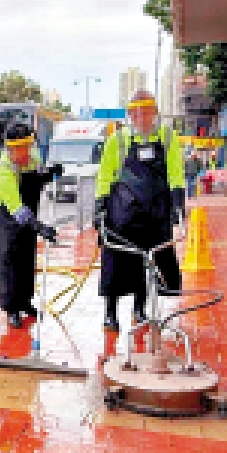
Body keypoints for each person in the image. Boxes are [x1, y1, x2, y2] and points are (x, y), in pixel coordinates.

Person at [93, 91, 186, 356]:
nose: (142, 117)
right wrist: (99, 207)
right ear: (130, 115)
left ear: (154, 113)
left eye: (147, 112)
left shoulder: (167, 138)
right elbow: (105, 176)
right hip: (121, 214)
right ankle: (110, 313)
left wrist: (179, 205)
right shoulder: (118, 140)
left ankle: (139, 309)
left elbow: (176, 173)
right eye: (136, 113)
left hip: (155, 214)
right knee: (115, 263)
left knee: (148, 262)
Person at [0, 121, 62, 330]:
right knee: (9, 265)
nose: (23, 153)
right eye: (18, 149)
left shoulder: (34, 158)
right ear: (9, 149)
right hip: (7, 223)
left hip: (28, 223)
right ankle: (12, 309)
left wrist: (52, 174)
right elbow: (18, 210)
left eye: (26, 147)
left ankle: (25, 302)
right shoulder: (2, 170)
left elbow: (38, 178)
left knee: (26, 262)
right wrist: (42, 228)